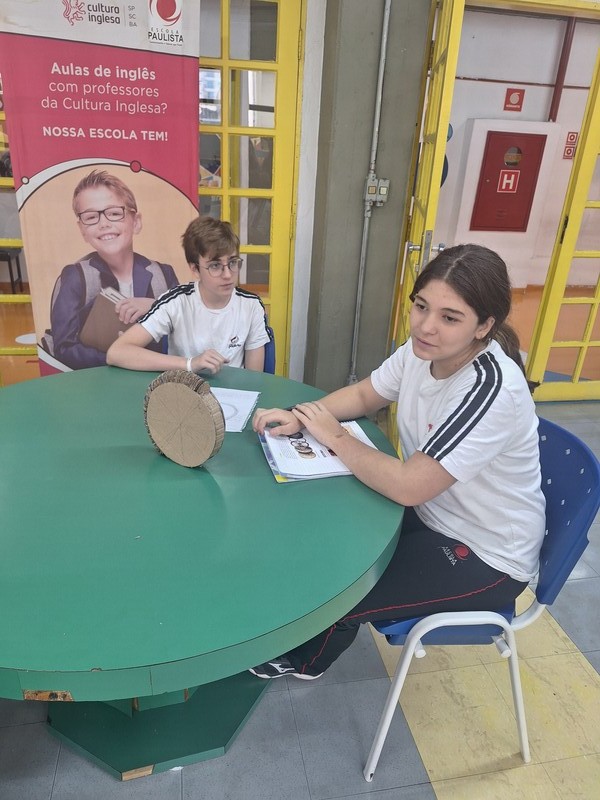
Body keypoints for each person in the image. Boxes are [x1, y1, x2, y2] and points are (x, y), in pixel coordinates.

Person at [250, 243, 546, 680]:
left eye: (450, 317)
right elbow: (365, 394)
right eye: (421, 306)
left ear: (484, 325)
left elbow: (409, 485)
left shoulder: (490, 389)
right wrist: (302, 416)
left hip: (486, 554)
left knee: (339, 592)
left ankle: (305, 662)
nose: (426, 326)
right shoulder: (422, 351)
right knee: (325, 540)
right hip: (431, 513)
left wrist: (333, 435)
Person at [49, 169, 179, 370]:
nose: (104, 223)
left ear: (136, 222)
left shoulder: (163, 274)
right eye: (91, 217)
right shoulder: (75, 278)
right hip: (97, 384)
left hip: (154, 381)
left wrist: (157, 305)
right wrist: (121, 358)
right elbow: (64, 349)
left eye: (114, 213)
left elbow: (185, 332)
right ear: (82, 230)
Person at [106, 216, 271, 373]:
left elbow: (254, 379)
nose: (228, 274)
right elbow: (116, 353)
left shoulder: (252, 305)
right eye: (215, 266)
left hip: (233, 392)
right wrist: (190, 363)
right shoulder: (176, 301)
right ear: (195, 269)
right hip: (184, 390)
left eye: (233, 262)